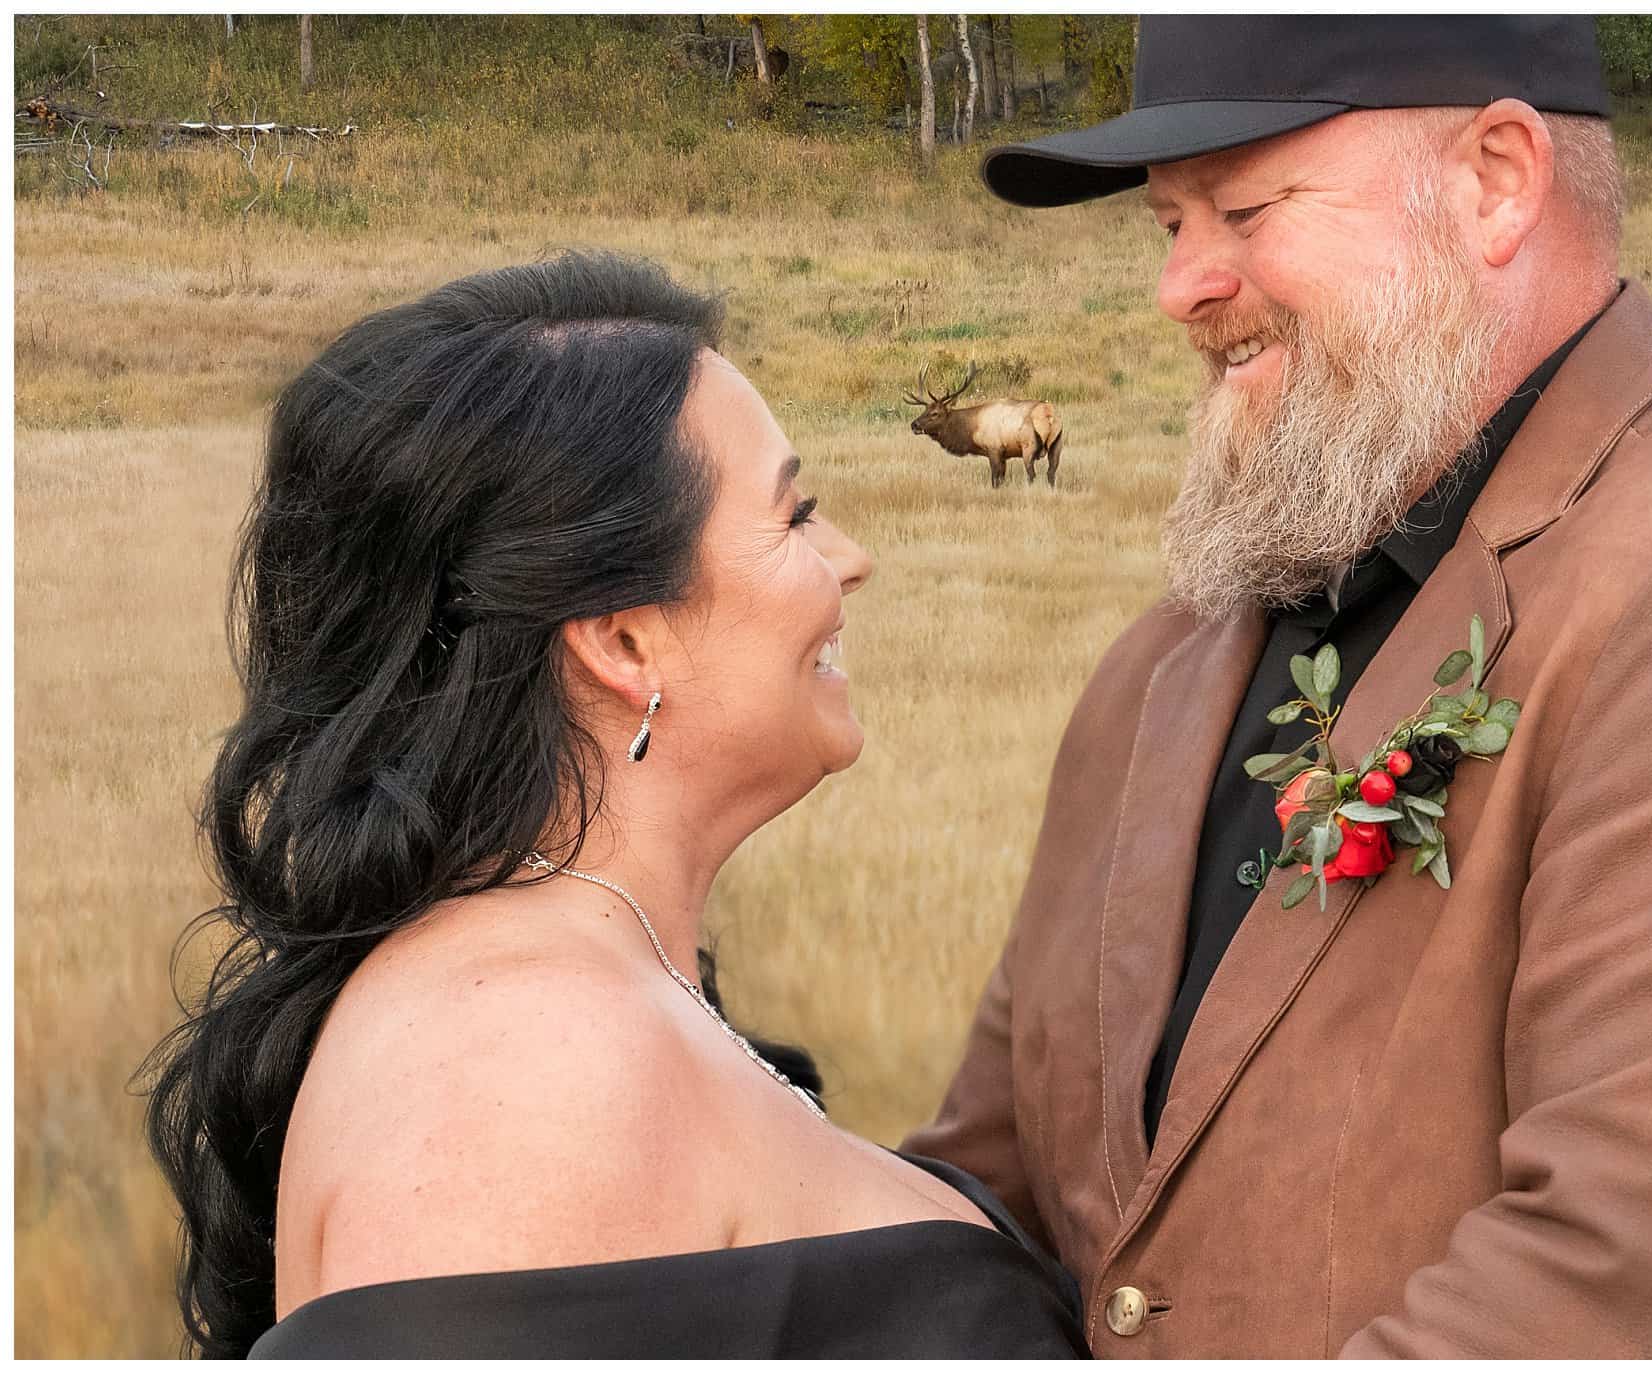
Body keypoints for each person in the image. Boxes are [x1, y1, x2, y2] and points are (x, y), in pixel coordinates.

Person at [906, 16, 1652, 1358]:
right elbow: (984, 1204)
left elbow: (1617, 1297)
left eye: (1241, 209)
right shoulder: (1162, 669)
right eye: (1167, 227)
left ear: (1495, 181)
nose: (1181, 287)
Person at [140, 251, 1085, 1358]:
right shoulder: (523, 1086)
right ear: (625, 641)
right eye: (797, 516)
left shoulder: (553, 1006)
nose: (851, 559)